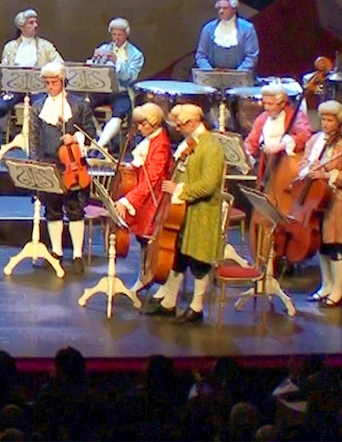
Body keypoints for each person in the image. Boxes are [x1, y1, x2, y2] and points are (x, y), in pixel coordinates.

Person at [142, 104, 226, 324]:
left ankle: (196, 308)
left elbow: (208, 185)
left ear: (192, 122)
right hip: (182, 212)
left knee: (199, 261)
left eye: (180, 125)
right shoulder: (189, 144)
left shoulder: (211, 147)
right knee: (178, 257)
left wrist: (180, 189)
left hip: (202, 213)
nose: (178, 129)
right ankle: (169, 303)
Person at [35, 62, 98, 274]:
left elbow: (90, 134)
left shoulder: (79, 105)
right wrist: (36, 164)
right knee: (52, 209)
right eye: (48, 83)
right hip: (49, 163)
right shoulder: (38, 107)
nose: (50, 86)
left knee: (75, 208)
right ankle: (56, 251)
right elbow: (35, 139)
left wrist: (75, 138)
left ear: (63, 82)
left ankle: (77, 254)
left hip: (73, 165)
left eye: (54, 82)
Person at [297, 100, 342, 307]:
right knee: (322, 245)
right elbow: (304, 161)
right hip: (317, 200)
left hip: (335, 202)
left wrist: (327, 174)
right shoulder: (315, 141)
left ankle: (338, 290)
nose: (326, 123)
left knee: (335, 245)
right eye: (323, 119)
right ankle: (326, 285)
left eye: (330, 120)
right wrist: (308, 168)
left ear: (338, 122)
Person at [113, 103, 174, 292]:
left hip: (154, 198)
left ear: (152, 123)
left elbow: (153, 178)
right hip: (145, 195)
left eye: (142, 124)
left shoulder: (161, 145)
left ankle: (147, 276)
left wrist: (128, 199)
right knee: (143, 239)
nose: (139, 128)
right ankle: (144, 275)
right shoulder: (151, 140)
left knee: (148, 238)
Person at [0, 9, 63, 124]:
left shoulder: (46, 46)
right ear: (22, 26)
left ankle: (36, 134)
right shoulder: (10, 47)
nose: (35, 25)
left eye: (36, 22)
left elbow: (59, 64)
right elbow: (4, 70)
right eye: (31, 23)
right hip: (14, 89)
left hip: (38, 89)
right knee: (0, 107)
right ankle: (10, 133)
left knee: (43, 107)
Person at [88, 17, 145, 150]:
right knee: (83, 106)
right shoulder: (105, 48)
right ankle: (100, 135)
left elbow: (131, 76)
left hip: (122, 91)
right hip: (102, 90)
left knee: (120, 110)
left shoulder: (136, 54)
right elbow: (93, 72)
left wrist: (117, 62)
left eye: (119, 34)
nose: (116, 38)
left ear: (126, 34)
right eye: (114, 34)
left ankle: (100, 145)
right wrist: (95, 60)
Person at [243, 84, 312, 176]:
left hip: (287, 166)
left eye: (270, 104)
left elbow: (304, 134)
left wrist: (281, 145)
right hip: (267, 165)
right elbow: (252, 141)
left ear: (282, 103)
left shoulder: (295, 116)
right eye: (265, 103)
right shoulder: (262, 118)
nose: (266, 107)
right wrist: (245, 153)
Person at [195, 0, 259, 71]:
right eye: (219, 8)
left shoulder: (247, 28)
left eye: (225, 8)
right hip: (213, 78)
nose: (221, 11)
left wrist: (238, 74)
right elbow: (201, 55)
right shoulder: (208, 29)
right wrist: (209, 71)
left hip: (240, 78)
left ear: (234, 9)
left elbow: (251, 56)